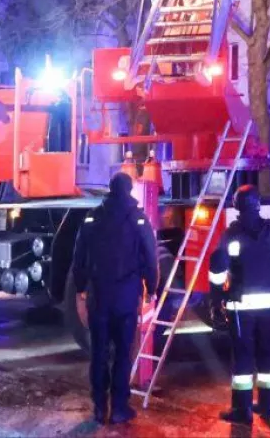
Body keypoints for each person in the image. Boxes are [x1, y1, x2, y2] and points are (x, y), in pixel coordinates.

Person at [71, 172, 158, 425]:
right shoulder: (138, 220)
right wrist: (151, 289)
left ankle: (100, 407)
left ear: (109, 189)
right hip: (126, 298)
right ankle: (119, 408)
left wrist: (80, 290)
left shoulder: (92, 218)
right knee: (122, 353)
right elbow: (151, 260)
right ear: (130, 190)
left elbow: (79, 259)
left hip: (98, 297)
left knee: (98, 352)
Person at [208, 185, 270, 425]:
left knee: (243, 358)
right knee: (268, 354)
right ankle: (267, 405)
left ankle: (242, 410)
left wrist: (216, 298)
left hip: (241, 307)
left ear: (237, 205)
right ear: (258, 204)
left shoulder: (232, 234)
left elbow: (217, 268)